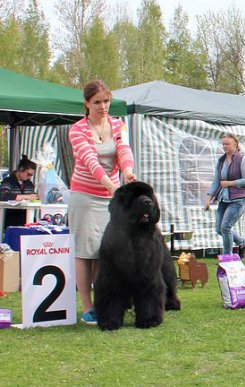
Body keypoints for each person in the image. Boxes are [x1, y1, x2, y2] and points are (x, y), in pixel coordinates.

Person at [68, 80, 137, 325]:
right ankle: (87, 307)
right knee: (85, 253)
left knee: (104, 253)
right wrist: (110, 185)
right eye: (97, 102)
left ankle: (105, 302)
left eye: (106, 101)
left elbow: (124, 150)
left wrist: (127, 171)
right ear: (86, 103)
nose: (103, 106)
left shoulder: (119, 124)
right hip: (85, 196)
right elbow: (89, 160)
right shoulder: (77, 130)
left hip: (112, 198)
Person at [205, 133, 245, 256]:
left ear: (235, 144)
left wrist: (230, 183)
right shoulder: (221, 161)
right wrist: (209, 198)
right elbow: (217, 181)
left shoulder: (242, 159)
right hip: (224, 198)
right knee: (219, 229)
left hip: (238, 199)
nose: (224, 146)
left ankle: (227, 257)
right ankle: (242, 243)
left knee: (225, 227)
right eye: (223, 144)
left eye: (227, 144)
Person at [0, 155, 38, 231]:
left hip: (27, 218)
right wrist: (26, 197)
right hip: (10, 219)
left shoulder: (29, 184)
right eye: (28, 174)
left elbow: (33, 198)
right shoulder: (8, 182)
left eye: (31, 175)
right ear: (21, 169)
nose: (29, 177)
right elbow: (3, 196)